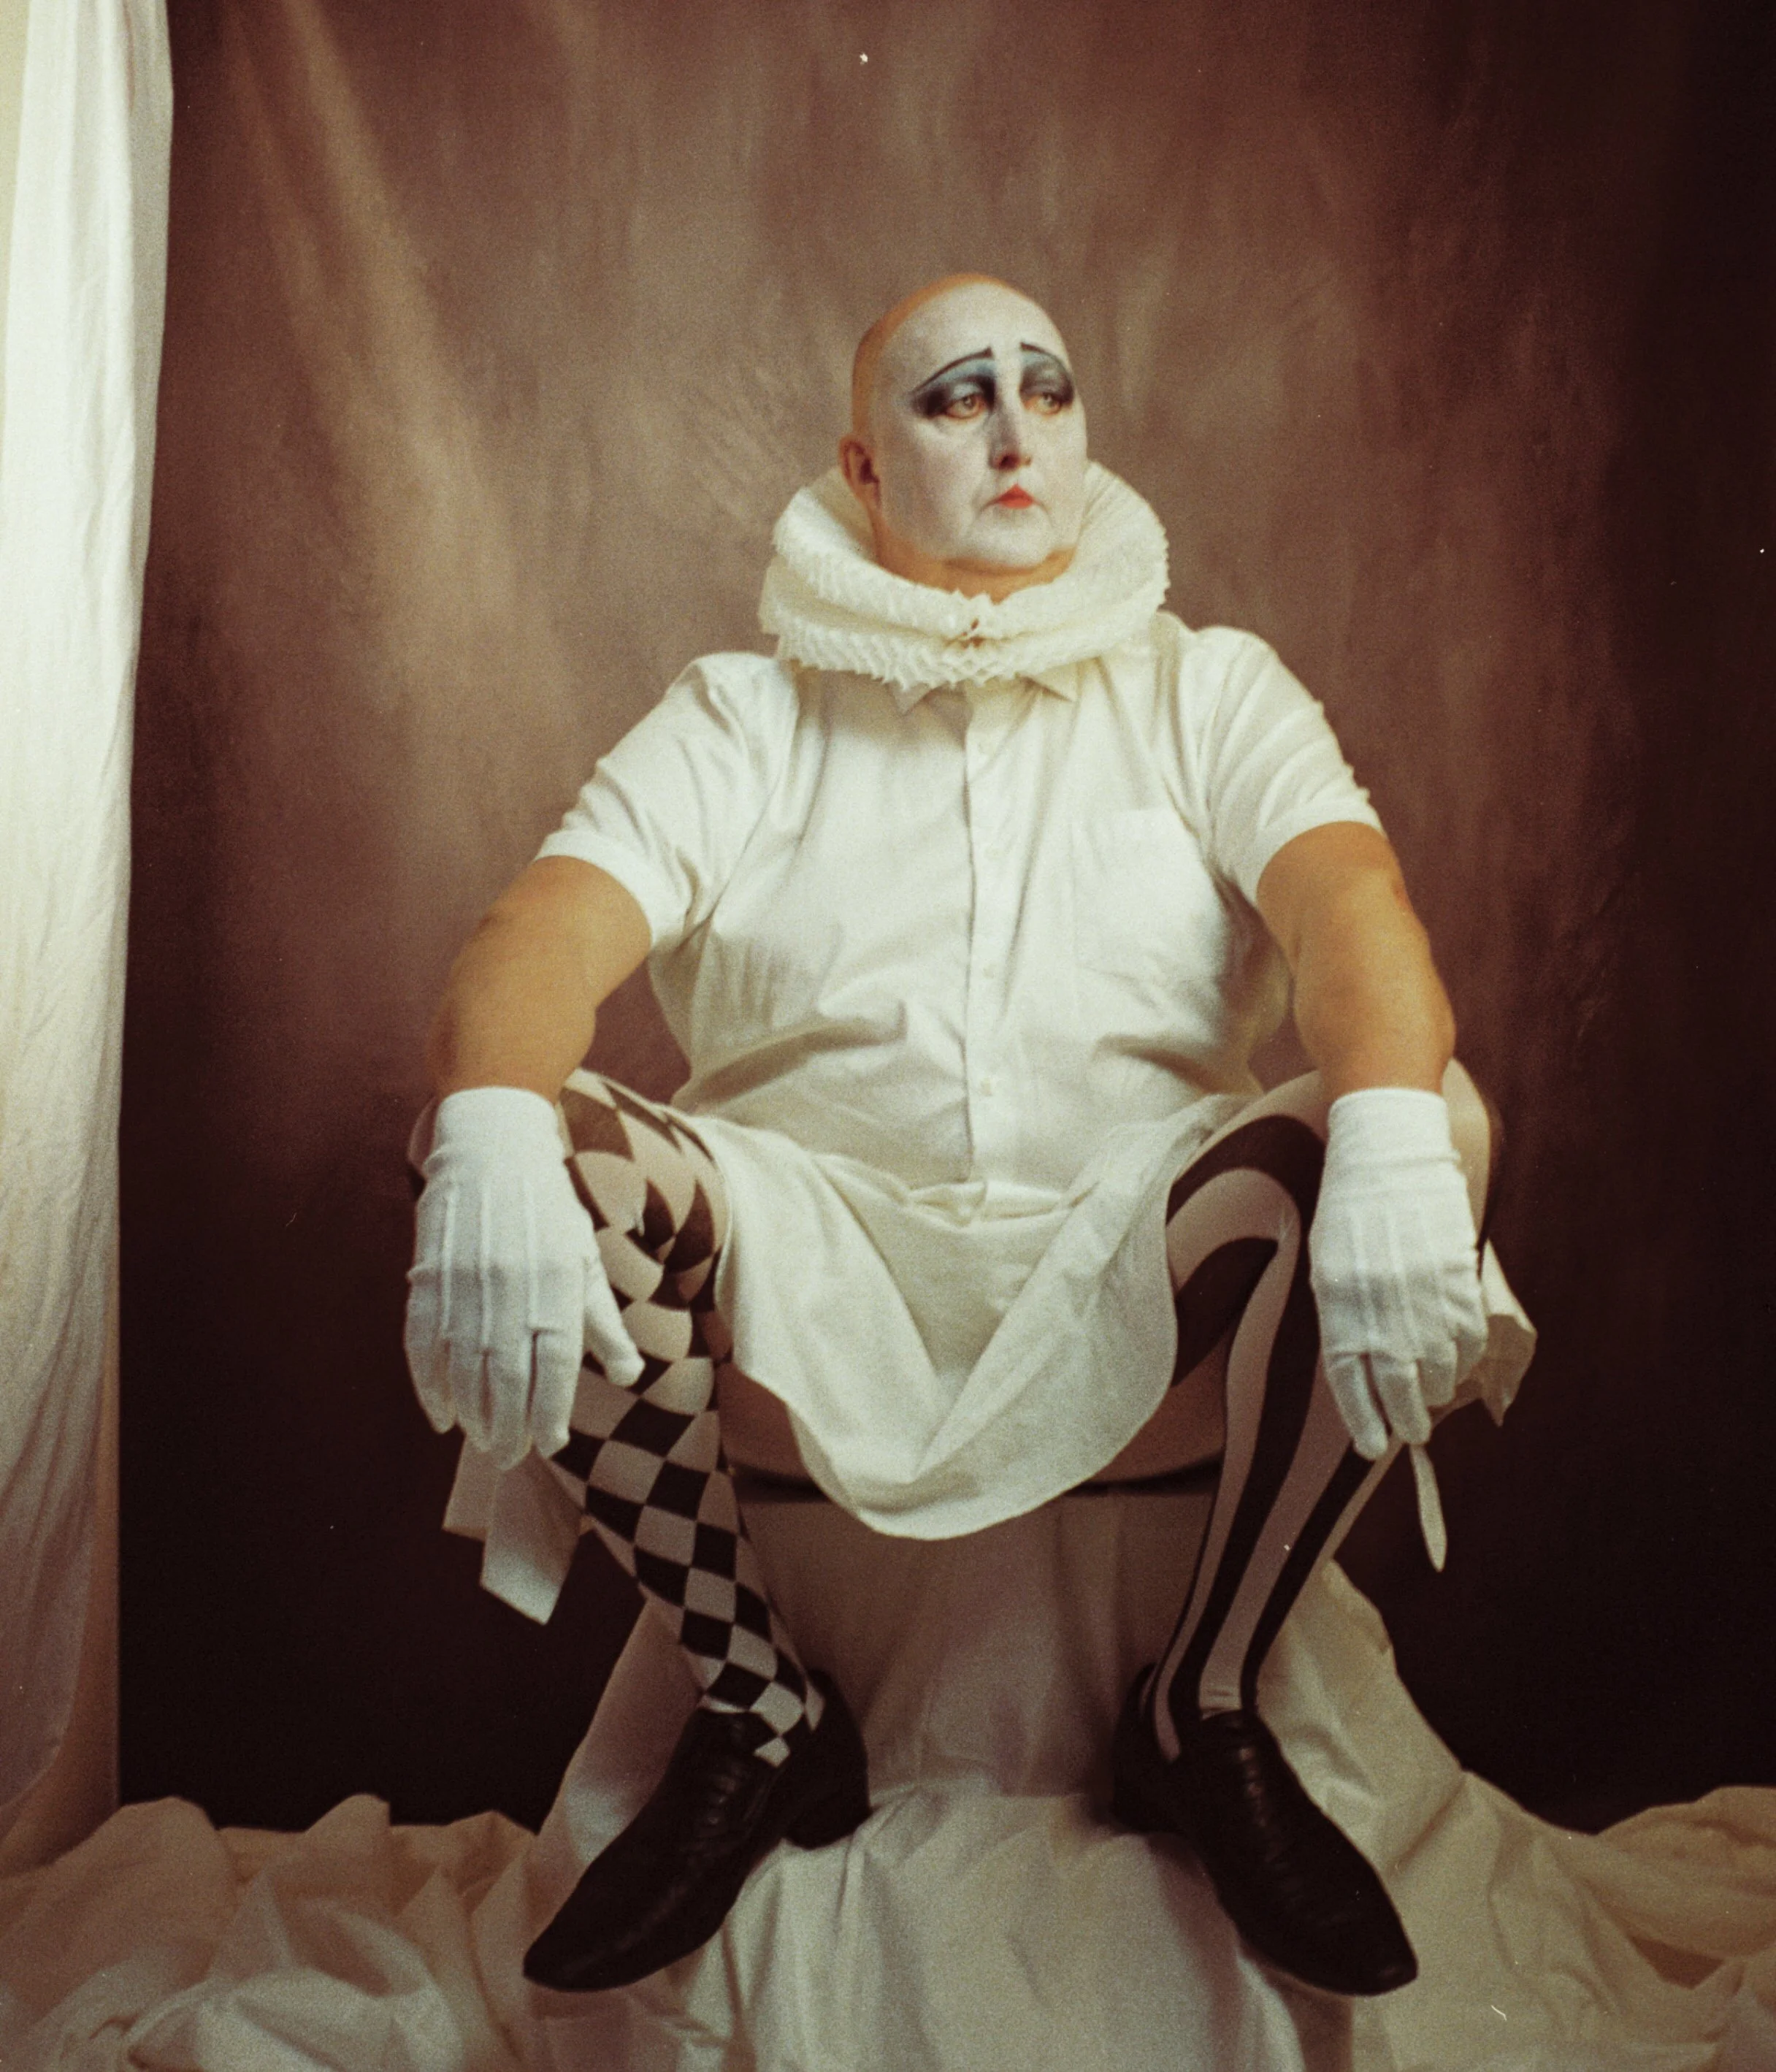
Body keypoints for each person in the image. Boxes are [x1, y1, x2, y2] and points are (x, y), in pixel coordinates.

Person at [403, 274, 1529, 2002]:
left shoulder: (1206, 689)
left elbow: (1350, 907)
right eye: (955, 398)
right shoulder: (742, 714)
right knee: (523, 1136)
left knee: (1410, 1118)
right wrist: (483, 1133)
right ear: (863, 469)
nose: (1016, 427)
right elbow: (535, 937)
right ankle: (761, 1701)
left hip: (1132, 1257)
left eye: (1049, 388)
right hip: (802, 1270)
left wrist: (1382, 1131)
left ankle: (1200, 1698)